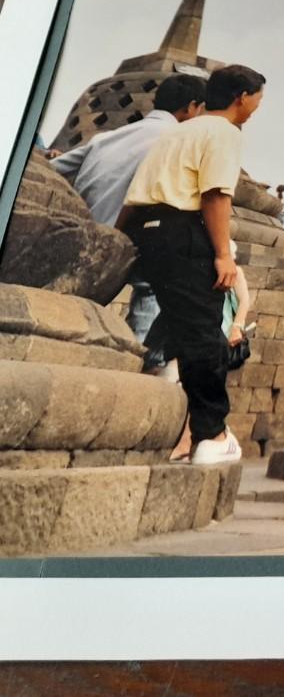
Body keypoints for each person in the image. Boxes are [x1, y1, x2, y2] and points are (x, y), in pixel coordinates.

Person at [116, 64, 266, 466]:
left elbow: (133, 198)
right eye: (257, 100)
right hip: (185, 231)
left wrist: (119, 239)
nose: (256, 108)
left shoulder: (179, 130)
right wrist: (223, 254)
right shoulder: (223, 133)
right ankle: (211, 435)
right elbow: (216, 195)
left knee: (178, 331)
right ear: (242, 97)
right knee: (204, 333)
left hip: (149, 231)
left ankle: (193, 434)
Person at [51, 74, 207, 361]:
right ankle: (136, 358)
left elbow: (53, 168)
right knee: (156, 287)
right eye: (201, 110)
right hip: (123, 239)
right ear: (191, 107)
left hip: (75, 234)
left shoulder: (106, 137)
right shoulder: (177, 141)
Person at [168, 240, 252, 462]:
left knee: (201, 386)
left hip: (220, 332)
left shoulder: (234, 270)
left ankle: (188, 443)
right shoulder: (201, 268)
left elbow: (244, 301)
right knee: (192, 383)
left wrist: (237, 327)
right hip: (201, 329)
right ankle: (194, 441)